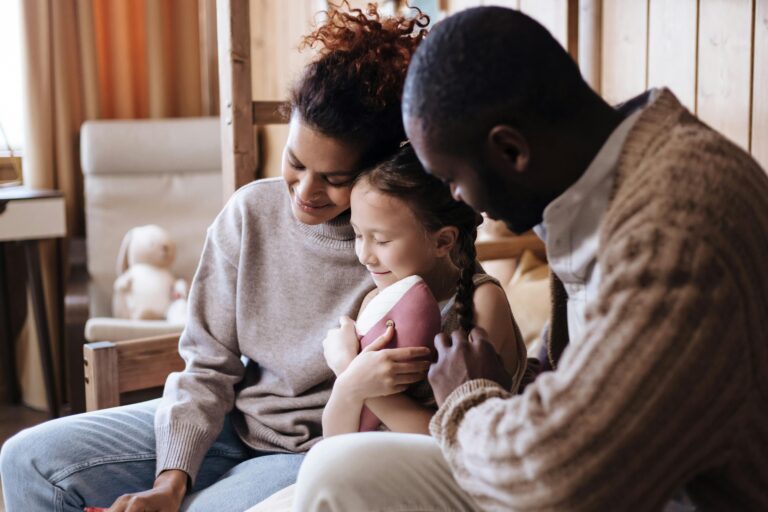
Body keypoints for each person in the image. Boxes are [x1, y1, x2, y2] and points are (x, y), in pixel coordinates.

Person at [292, 6, 768, 511]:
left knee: (335, 472)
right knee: (339, 471)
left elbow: (563, 479)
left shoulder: (676, 231)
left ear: (511, 150)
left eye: (452, 179)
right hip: (577, 463)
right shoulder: (613, 179)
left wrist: (469, 395)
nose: (462, 200)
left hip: (643, 492)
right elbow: (594, 371)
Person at [0, 4, 430, 511]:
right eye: (295, 162)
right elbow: (206, 365)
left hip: (312, 452)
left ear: (378, 166)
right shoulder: (250, 214)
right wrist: (171, 478)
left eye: (334, 179)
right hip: (229, 423)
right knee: (25, 459)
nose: (305, 193)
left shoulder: (400, 246)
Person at [322, 144, 527, 437]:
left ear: (443, 241)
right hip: (367, 462)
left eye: (380, 240)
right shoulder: (376, 301)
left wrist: (349, 369)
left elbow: (452, 441)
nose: (365, 255)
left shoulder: (482, 301)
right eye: (357, 235)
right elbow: (334, 440)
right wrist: (349, 386)